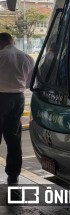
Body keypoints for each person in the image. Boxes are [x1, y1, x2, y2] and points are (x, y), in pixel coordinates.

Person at [0, 33, 34, 185]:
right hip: (18, 98)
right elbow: (29, 83)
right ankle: (13, 176)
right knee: (14, 138)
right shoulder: (27, 57)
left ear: (3, 41)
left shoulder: (1, 55)